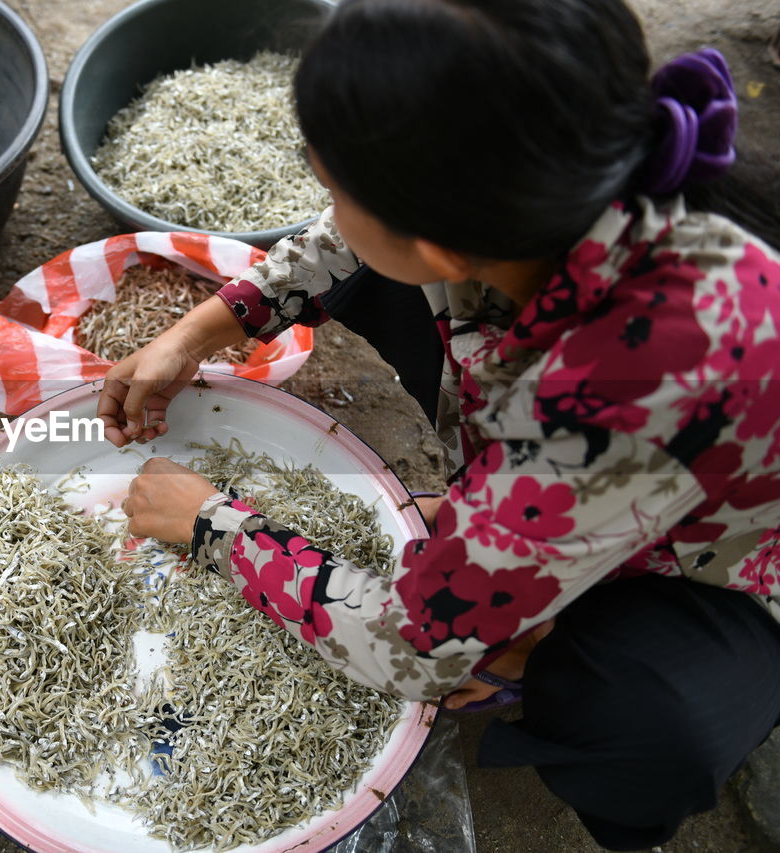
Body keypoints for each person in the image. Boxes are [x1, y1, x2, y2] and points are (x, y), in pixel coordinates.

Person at [97, 0, 780, 849]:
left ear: (451, 246)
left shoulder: (622, 386)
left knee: (648, 726)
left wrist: (210, 522)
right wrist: (204, 328)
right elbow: (356, 238)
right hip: (606, 473)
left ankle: (558, 658)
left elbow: (411, 648)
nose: (329, 211)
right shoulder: (555, 188)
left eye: (337, 193)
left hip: (715, 572)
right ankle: (525, 602)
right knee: (366, 275)